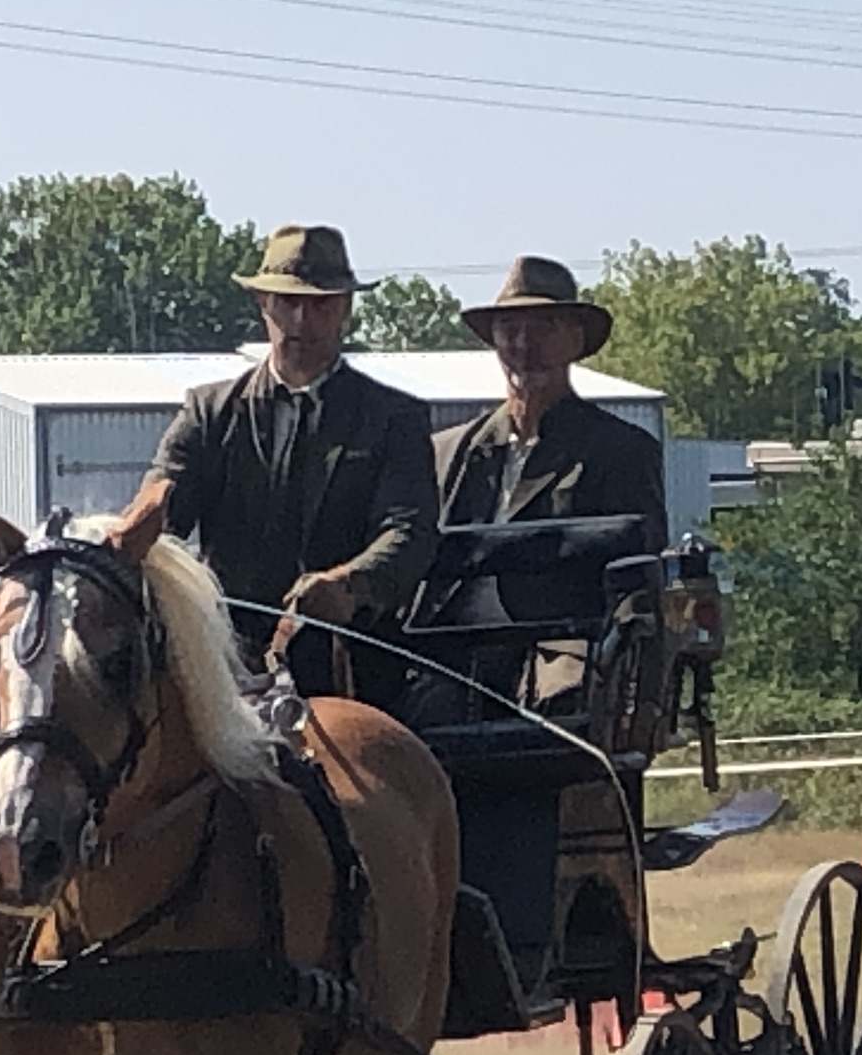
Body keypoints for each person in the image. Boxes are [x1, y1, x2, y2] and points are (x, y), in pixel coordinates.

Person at [144, 225, 440, 690]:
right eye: (288, 302)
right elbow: (156, 523)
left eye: (320, 303)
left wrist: (349, 585)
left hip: (352, 663)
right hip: (222, 665)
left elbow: (410, 530)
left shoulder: (393, 418)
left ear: (345, 308)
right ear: (263, 304)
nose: (302, 318)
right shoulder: (209, 413)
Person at [421, 255, 670, 714]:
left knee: (564, 710)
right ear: (493, 340)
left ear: (576, 339)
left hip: (564, 653)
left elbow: (641, 575)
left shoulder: (620, 450)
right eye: (509, 328)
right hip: (449, 653)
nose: (523, 344)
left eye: (544, 327)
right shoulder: (446, 453)